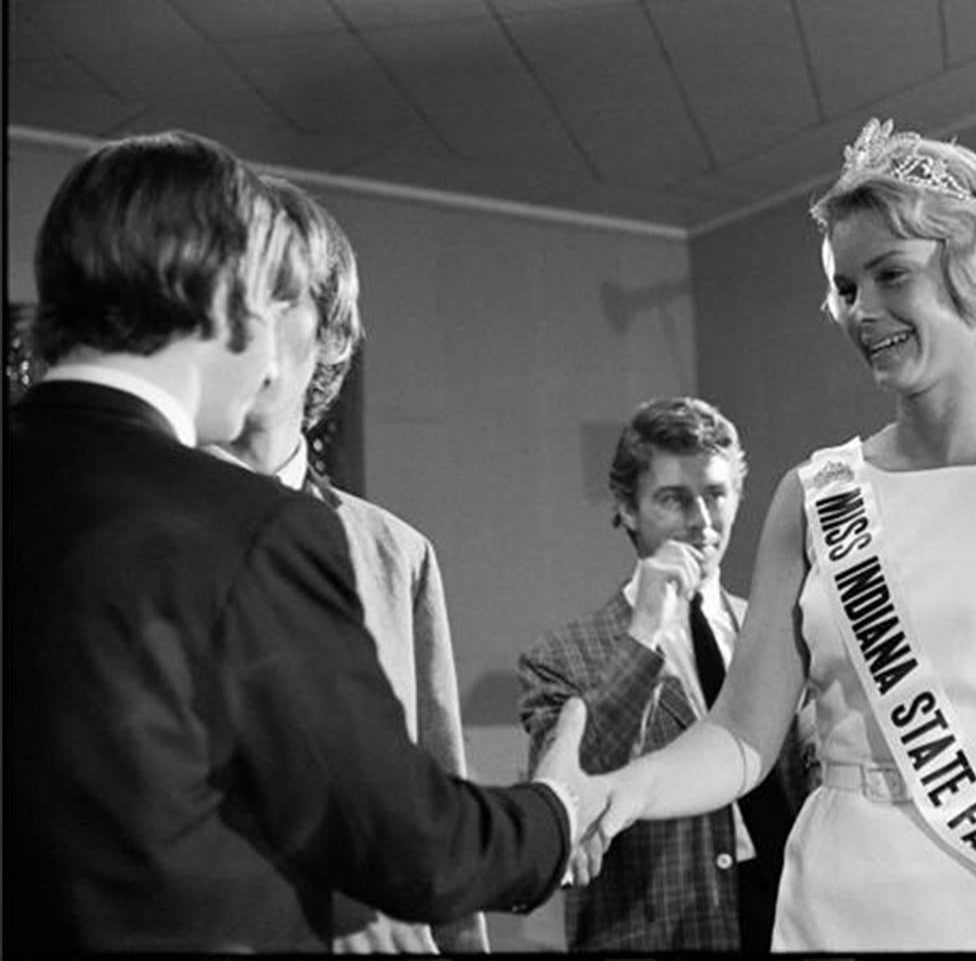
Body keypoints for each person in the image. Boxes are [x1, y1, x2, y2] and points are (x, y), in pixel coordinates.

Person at [588, 118, 976, 950]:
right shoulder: (814, 495)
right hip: (833, 899)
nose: (861, 311)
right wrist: (617, 792)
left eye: (890, 275)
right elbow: (740, 736)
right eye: (846, 286)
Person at [3, 130, 607, 952]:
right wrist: (556, 810)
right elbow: (415, 843)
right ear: (220, 298)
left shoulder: (387, 550)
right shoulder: (243, 529)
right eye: (264, 301)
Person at [205, 176, 486, 952]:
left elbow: (440, 813)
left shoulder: (399, 556)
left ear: (331, 334)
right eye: (227, 295)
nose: (244, 324)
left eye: (276, 295)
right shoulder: (131, 537)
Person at [518, 397, 810, 951]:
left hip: (787, 924)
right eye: (674, 500)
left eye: (716, 495)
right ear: (628, 509)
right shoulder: (560, 656)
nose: (701, 522)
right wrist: (645, 634)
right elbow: (567, 804)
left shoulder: (775, 629)